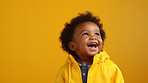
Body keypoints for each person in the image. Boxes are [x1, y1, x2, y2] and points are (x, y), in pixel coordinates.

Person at [55, 11, 124, 83]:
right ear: (72, 46)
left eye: (97, 34)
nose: (93, 37)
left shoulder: (111, 68)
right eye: (85, 34)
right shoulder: (65, 71)